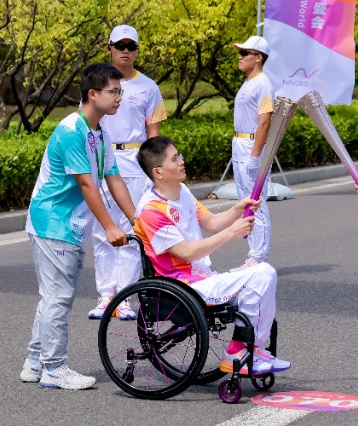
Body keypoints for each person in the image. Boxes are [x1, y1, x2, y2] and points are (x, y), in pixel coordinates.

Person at [21, 63, 136, 390]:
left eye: (120, 91)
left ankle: (34, 361)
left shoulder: (99, 131)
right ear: (92, 94)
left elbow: (113, 178)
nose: (119, 98)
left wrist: (136, 220)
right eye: (113, 92)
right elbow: (87, 184)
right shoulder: (72, 131)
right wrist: (111, 227)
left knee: (51, 296)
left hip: (66, 224)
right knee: (58, 296)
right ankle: (54, 368)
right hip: (52, 221)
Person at [134, 136, 290, 375]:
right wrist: (231, 232)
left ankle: (252, 349)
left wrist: (238, 208)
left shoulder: (182, 191)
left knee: (262, 278)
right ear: (158, 171)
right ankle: (238, 352)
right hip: (183, 286)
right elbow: (185, 253)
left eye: (180, 156)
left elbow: (211, 222)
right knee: (262, 274)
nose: (182, 162)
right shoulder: (151, 211)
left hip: (203, 278)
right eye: (175, 159)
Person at [88, 24, 167, 320]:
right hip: (103, 159)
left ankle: (125, 296)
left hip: (135, 162)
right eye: (119, 45)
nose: (124, 51)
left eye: (130, 46)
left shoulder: (148, 87)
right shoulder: (96, 84)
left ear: (136, 51)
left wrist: (154, 168)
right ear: (109, 48)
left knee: (134, 228)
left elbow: (153, 132)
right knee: (102, 230)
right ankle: (105, 294)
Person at [228, 36, 274, 272]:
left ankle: (258, 257)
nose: (240, 56)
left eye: (245, 53)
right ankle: (253, 255)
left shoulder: (263, 83)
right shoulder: (249, 82)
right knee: (246, 201)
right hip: (241, 144)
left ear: (258, 57)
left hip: (251, 146)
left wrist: (255, 157)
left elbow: (265, 121)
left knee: (256, 202)